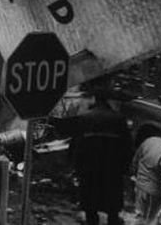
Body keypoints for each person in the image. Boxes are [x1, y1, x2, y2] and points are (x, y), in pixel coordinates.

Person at [54, 87, 132, 225]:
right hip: (112, 170)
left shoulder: (85, 118)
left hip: (89, 170)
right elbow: (126, 146)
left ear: (94, 99)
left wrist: (75, 167)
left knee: (91, 207)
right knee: (112, 208)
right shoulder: (118, 119)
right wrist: (125, 168)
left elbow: (76, 145)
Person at [131, 124, 161, 225]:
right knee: (151, 220)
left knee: (139, 216)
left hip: (140, 186)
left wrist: (136, 177)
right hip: (154, 193)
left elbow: (136, 160)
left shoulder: (150, 140)